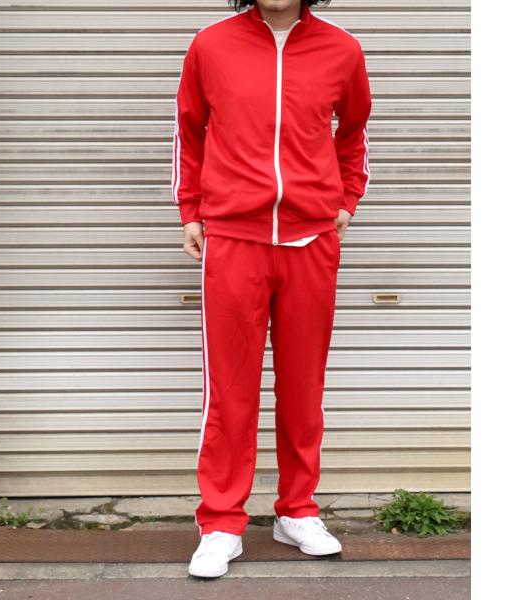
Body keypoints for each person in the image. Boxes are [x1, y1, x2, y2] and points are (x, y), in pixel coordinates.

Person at [171, 0, 371, 578]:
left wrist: (346, 199)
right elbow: (188, 131)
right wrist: (191, 209)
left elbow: (355, 133)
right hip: (234, 238)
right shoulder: (211, 45)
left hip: (312, 240)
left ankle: (297, 511)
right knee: (229, 391)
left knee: (304, 388)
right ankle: (221, 522)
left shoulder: (341, 49)